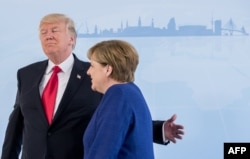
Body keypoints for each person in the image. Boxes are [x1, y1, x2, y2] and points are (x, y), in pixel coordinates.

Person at [1, 13, 184, 159]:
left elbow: (116, 118)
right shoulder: (26, 74)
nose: (48, 36)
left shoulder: (97, 76)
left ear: (72, 39)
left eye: (54, 30)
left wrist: (158, 130)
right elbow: (16, 124)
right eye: (43, 32)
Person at [84, 39, 154, 158]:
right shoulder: (131, 91)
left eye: (92, 66)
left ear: (108, 69)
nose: (88, 72)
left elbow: (104, 151)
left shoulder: (118, 95)